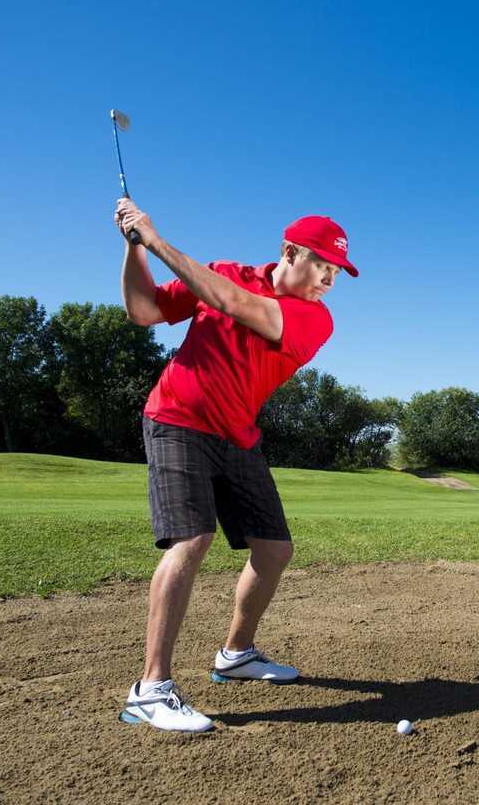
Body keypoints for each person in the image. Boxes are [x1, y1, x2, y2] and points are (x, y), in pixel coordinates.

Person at [113, 197, 357, 732]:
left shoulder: (314, 319)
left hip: (237, 435)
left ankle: (237, 654)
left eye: (336, 271)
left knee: (274, 550)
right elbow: (144, 311)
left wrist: (155, 237)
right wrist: (137, 249)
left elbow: (232, 303)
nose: (329, 280)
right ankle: (150, 690)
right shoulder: (223, 272)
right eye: (322, 265)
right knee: (191, 540)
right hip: (177, 419)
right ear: (289, 253)